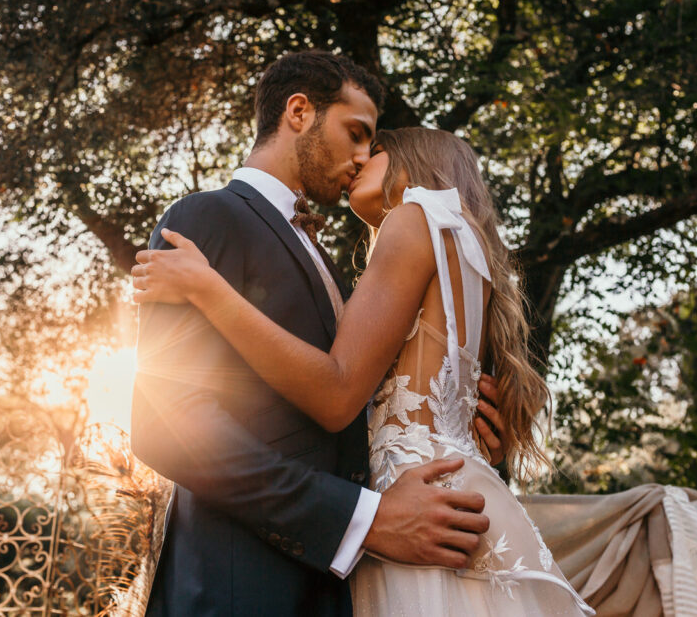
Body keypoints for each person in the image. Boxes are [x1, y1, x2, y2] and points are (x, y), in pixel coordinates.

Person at [132, 125, 595, 615]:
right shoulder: (466, 246)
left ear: (411, 163)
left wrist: (210, 288)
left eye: (372, 150)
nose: (356, 162)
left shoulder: (412, 217)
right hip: (459, 493)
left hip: (414, 499)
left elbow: (337, 390)